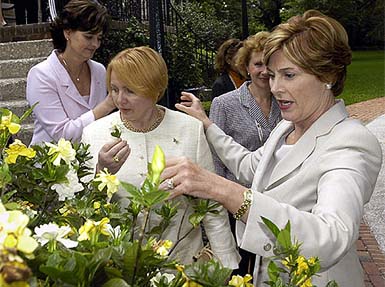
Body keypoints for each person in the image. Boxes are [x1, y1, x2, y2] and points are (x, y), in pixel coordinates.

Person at [161, 10, 382, 286]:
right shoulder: (287, 127)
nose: (276, 87)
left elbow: (332, 236)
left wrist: (227, 192)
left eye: (289, 75)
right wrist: (208, 125)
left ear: (328, 75)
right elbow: (249, 166)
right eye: (273, 75)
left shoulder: (350, 141)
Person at [81, 46, 240, 268]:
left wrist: (226, 265)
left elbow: (211, 204)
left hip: (183, 268)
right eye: (114, 89)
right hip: (121, 270)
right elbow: (85, 209)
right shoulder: (94, 133)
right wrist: (101, 172)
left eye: (130, 91)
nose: (120, 99)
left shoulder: (190, 129)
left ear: (154, 90)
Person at [209, 31, 281, 276]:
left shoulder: (285, 102)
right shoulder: (225, 104)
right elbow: (215, 159)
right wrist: (220, 201)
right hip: (235, 202)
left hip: (276, 200)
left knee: (271, 268)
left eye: (269, 64)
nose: (264, 71)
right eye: (258, 64)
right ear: (246, 67)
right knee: (237, 271)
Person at [27, 0, 115, 145]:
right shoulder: (41, 75)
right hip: (49, 165)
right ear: (67, 32)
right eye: (88, 37)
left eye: (99, 38)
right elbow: (63, 135)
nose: (95, 44)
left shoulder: (99, 70)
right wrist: (107, 105)